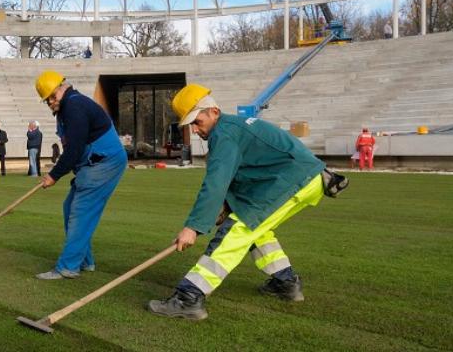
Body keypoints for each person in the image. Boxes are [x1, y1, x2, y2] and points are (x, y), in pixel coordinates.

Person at [146, 84, 347, 321]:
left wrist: (193, 227)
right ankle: (285, 282)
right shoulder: (232, 129)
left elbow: (216, 183)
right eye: (190, 124)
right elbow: (246, 173)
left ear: (214, 112)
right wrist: (226, 207)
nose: (195, 129)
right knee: (255, 229)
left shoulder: (225, 133)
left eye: (197, 121)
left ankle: (189, 297)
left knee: (236, 231)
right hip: (306, 178)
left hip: (292, 179)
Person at [33, 70, 127, 280]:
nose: (49, 102)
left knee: (81, 210)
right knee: (70, 207)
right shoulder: (68, 107)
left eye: (51, 96)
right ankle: (85, 260)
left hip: (104, 162)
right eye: (46, 99)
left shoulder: (74, 106)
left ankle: (68, 267)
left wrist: (53, 175)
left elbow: (74, 150)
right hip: (92, 163)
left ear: (61, 88)